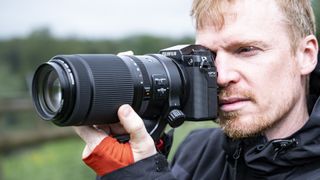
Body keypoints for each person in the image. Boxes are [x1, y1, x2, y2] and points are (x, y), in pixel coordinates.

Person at [74, 0, 320, 179]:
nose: (221, 76)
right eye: (208, 56)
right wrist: (136, 150)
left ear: (306, 56)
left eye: (246, 50)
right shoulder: (198, 151)